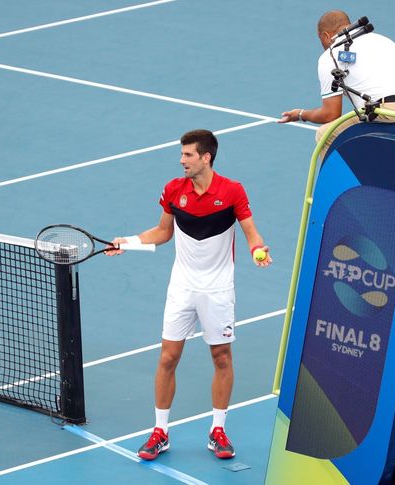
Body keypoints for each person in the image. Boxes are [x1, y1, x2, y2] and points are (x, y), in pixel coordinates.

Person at [107, 129, 272, 461]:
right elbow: (163, 231)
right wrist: (129, 241)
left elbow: (251, 232)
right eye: (182, 155)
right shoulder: (173, 190)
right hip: (182, 286)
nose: (181, 160)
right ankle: (160, 432)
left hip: (218, 289)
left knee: (221, 357)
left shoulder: (232, 191)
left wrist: (259, 249)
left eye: (188, 155)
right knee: (168, 358)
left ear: (205, 157)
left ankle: (218, 430)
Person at [278, 10, 395, 154]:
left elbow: (330, 114)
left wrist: (301, 114)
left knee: (325, 135)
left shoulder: (330, 56)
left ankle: (347, 183)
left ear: (325, 36)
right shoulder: (380, 38)